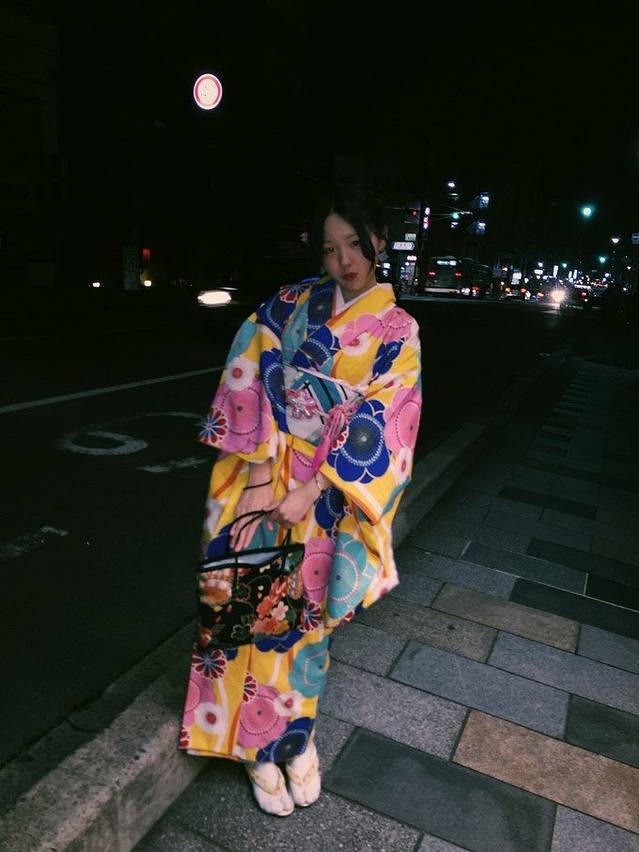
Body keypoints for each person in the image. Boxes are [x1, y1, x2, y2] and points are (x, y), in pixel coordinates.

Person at [179, 185, 422, 816]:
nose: (344, 261)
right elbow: (250, 369)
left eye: (355, 244)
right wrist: (263, 473)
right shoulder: (290, 304)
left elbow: (386, 418)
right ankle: (254, 749)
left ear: (379, 241)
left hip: (327, 489)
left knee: (302, 624)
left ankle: (295, 738)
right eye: (330, 248)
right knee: (247, 604)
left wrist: (312, 490)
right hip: (263, 469)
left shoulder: (398, 330)